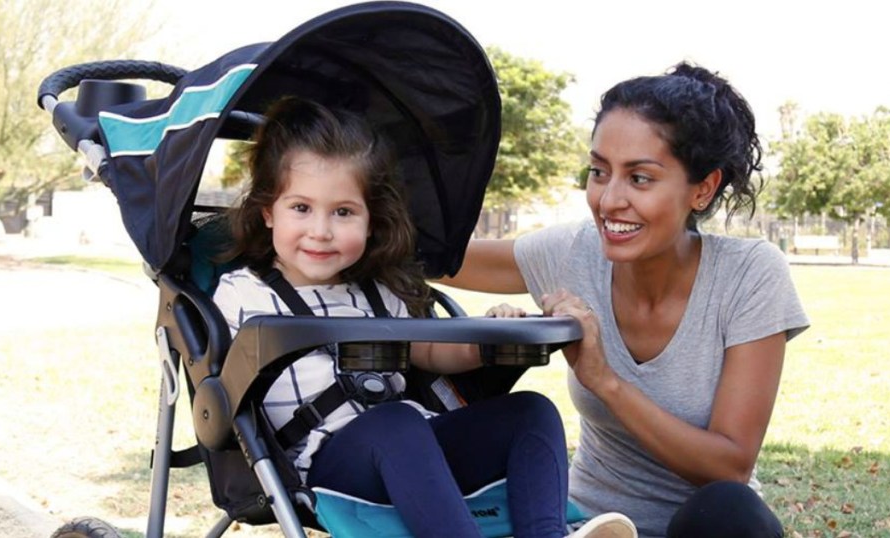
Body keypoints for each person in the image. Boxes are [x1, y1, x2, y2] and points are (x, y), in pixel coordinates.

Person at [213, 97, 636, 538]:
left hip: (417, 450)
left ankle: (547, 533)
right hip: (328, 465)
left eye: (343, 212)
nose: (321, 230)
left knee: (531, 412)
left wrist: (485, 340)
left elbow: (430, 351)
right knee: (394, 422)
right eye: (301, 208)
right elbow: (225, 394)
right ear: (268, 212)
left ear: (371, 221)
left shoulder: (377, 291)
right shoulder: (243, 294)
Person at [440, 62, 810, 538]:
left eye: (640, 178)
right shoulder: (574, 252)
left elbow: (730, 466)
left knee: (727, 508)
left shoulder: (749, 274)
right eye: (599, 171)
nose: (609, 199)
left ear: (703, 188)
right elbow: (441, 257)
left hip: (708, 526)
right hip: (596, 525)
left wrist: (604, 380)